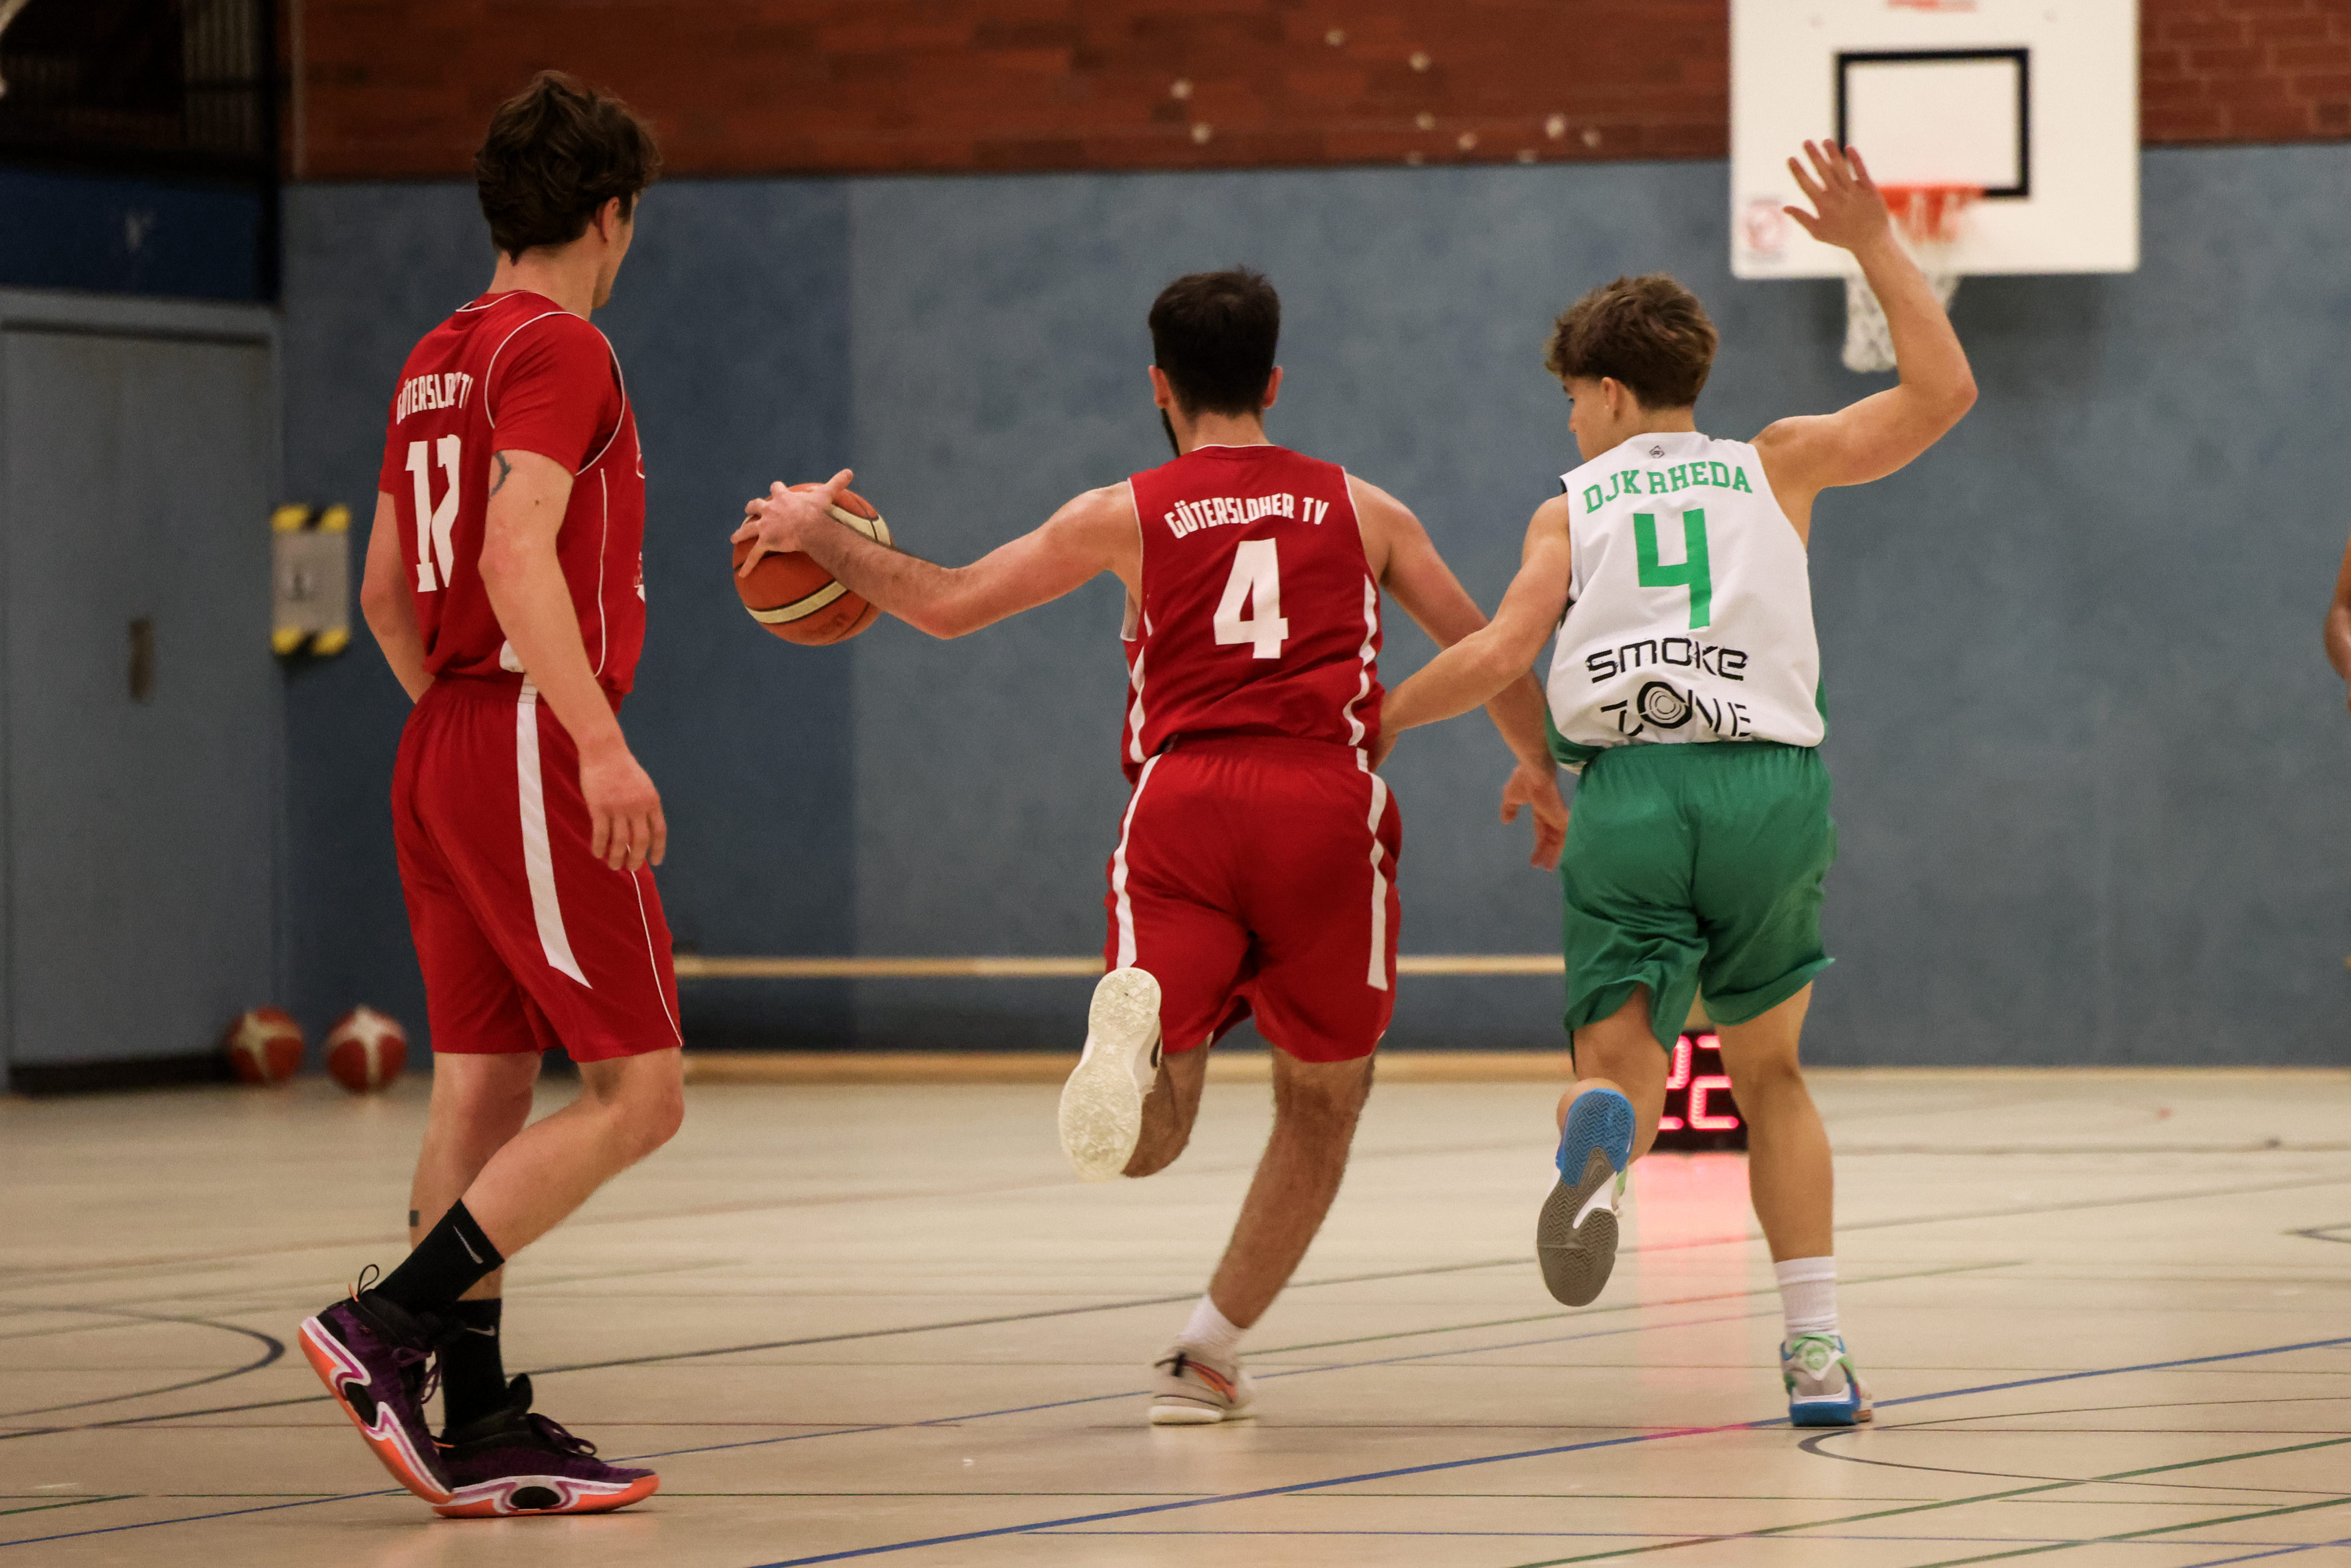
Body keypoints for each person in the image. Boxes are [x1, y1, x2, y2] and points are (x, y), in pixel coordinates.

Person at [733, 268, 1567, 1424]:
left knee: (1154, 1131)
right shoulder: (1368, 509)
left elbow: (949, 601)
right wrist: (1538, 766)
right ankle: (1206, 1355)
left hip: (1181, 807)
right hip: (1324, 802)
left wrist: (820, 535)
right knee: (1321, 1102)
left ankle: (1132, 1054)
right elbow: (1489, 649)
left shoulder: (1121, 511)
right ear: (1274, 380)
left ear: (1159, 387)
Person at [1371, 142, 1976, 1427]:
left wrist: (1376, 721)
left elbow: (1499, 649)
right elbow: (1944, 392)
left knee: (1622, 1053)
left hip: (1631, 792)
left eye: (1568, 401)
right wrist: (1872, 239)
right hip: (1769, 785)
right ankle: (1816, 1355)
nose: (1569, 423)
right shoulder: (1780, 459)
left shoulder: (1571, 507)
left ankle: (1603, 1122)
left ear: (1603, 392)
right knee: (1772, 1077)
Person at [299, 71, 680, 1517]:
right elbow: (517, 552)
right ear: (611, 214)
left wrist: (459, 728)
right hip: (522, 729)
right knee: (643, 1093)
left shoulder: (434, 354)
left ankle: (481, 1413)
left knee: (488, 1078)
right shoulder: (564, 346)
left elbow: (384, 590)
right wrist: (589, 742)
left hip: (447, 733)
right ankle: (387, 1321)